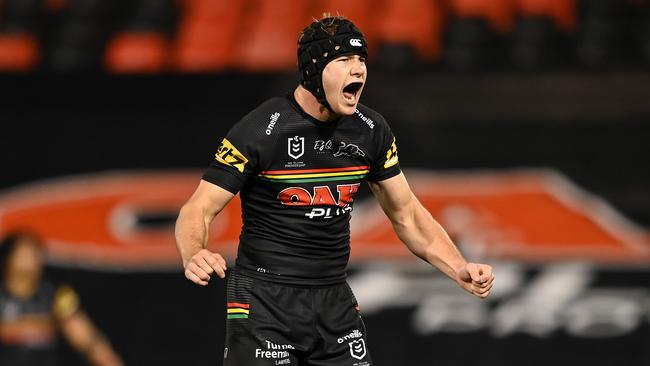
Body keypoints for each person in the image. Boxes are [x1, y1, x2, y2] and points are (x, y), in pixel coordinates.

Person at [175, 14, 494, 366]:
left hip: (334, 301)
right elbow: (198, 208)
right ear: (313, 69)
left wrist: (458, 266)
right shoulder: (262, 130)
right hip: (264, 302)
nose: (358, 69)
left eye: (361, 60)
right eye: (343, 60)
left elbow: (407, 215)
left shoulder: (370, 131)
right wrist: (194, 251)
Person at [0, 231, 124, 366]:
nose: (30, 260)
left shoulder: (55, 294)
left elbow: (86, 338)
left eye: (34, 254)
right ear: (8, 257)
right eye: (23, 253)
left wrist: (109, 360)